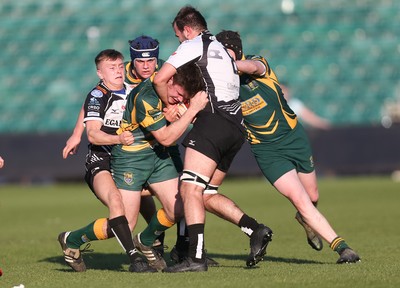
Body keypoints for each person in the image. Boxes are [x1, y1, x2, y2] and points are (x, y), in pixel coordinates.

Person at [215, 30, 360, 264]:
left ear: (237, 50)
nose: (221, 57)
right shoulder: (221, 86)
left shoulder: (258, 64)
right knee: (301, 199)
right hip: (267, 151)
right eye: (217, 54)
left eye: (226, 52)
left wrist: (229, 65)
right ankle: (343, 248)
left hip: (294, 138)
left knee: (312, 195)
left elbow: (252, 67)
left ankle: (306, 220)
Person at [153, 6, 273, 273]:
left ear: (186, 29)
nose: (179, 42)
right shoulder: (222, 50)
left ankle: (195, 258)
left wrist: (167, 104)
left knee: (190, 190)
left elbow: (160, 78)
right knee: (206, 193)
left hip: (214, 123)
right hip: (235, 127)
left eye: (178, 37)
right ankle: (255, 229)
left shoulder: (195, 44)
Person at [58, 48, 157, 273]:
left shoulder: (133, 90)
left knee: (135, 214)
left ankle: (72, 239)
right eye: (111, 68)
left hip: (128, 159)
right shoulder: (97, 94)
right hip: (101, 158)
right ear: (100, 73)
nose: (118, 71)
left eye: (120, 66)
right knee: (116, 204)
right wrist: (117, 138)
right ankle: (135, 258)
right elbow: (92, 133)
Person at [111, 62, 209, 271]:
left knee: (179, 208)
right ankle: (72, 240)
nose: (180, 100)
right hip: (131, 159)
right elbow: (165, 138)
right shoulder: (146, 96)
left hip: (156, 157)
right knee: (125, 224)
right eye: (178, 94)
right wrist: (191, 111)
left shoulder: (173, 90)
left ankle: (145, 240)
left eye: (184, 98)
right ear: (170, 81)